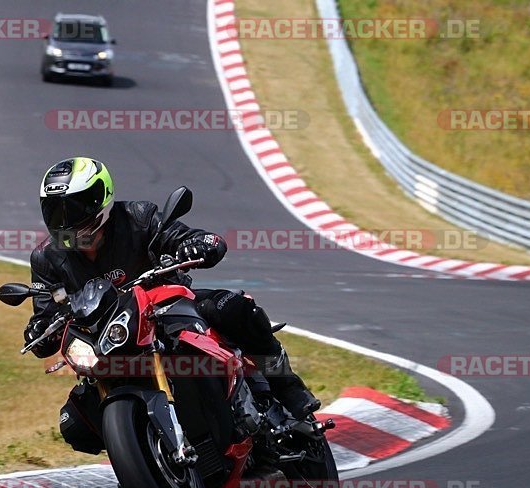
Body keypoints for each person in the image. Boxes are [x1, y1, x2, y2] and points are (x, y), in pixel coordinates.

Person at [24, 157, 320, 419]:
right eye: (56, 211)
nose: (67, 221)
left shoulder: (138, 217)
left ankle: (287, 386)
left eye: (75, 208)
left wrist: (198, 244)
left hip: (166, 311)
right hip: (107, 342)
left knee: (233, 308)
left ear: (101, 198)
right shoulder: (46, 258)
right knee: (75, 422)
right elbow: (44, 314)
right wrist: (38, 331)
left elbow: (181, 236)